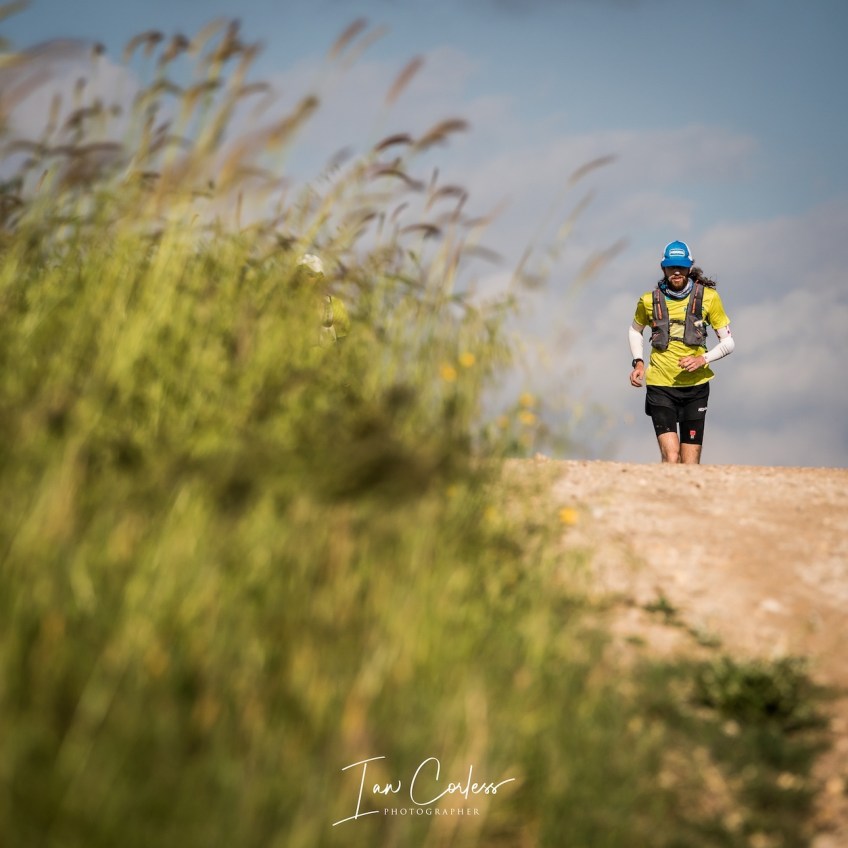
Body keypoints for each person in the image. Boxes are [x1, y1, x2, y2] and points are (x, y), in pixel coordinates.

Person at [628, 240, 735, 464]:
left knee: (690, 462)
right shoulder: (648, 301)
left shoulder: (709, 298)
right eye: (671, 267)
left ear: (689, 268)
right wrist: (638, 361)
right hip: (660, 385)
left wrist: (702, 359)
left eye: (681, 267)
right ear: (663, 268)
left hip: (696, 388)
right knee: (671, 455)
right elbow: (635, 330)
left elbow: (728, 342)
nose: (676, 272)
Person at [294, 253, 350, 345]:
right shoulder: (282, 303)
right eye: (300, 273)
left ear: (320, 277)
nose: (303, 278)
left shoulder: (335, 305)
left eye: (309, 274)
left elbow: (345, 342)